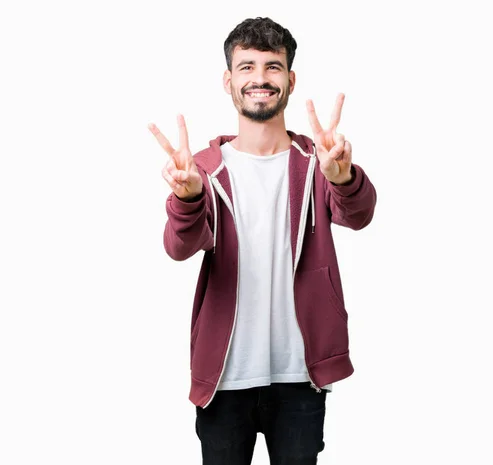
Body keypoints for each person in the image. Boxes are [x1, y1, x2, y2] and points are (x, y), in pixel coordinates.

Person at [148, 16, 377, 465]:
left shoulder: (318, 160)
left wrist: (343, 176)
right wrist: (188, 196)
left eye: (272, 67)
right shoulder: (203, 169)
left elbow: (360, 215)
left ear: (290, 80)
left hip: (300, 375)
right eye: (247, 66)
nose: (260, 78)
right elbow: (179, 247)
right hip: (225, 377)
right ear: (229, 80)